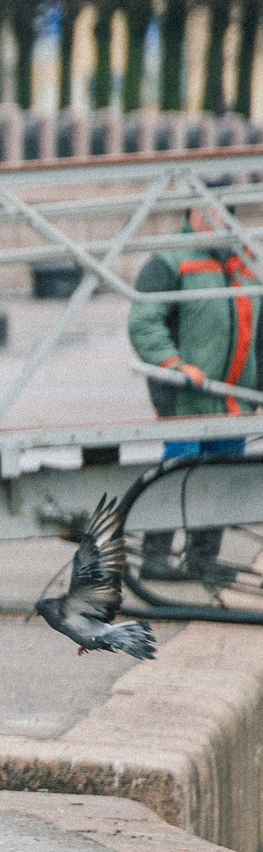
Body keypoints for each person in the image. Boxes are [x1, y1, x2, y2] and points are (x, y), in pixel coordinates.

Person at [129, 198, 257, 582]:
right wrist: (174, 365)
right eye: (218, 213)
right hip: (186, 396)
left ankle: (202, 560)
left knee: (221, 476)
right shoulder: (169, 260)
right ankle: (156, 558)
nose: (226, 222)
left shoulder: (246, 262)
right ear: (196, 213)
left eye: (230, 214)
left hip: (235, 398)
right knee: (177, 472)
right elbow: (145, 323)